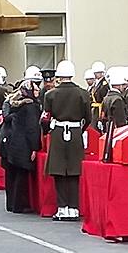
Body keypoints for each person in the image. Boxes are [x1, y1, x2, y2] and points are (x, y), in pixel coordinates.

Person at [43, 60, 91, 221]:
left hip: (57, 133)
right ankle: (74, 208)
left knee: (59, 172)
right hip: (76, 132)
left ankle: (62, 208)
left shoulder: (50, 94)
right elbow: (88, 118)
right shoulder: (83, 93)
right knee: (74, 172)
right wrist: (79, 130)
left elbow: (45, 118)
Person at [0, 80, 41, 213]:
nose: (38, 92)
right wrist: (35, 146)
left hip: (11, 141)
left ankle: (11, 204)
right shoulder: (31, 106)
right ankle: (19, 204)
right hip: (24, 144)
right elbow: (32, 128)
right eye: (36, 90)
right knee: (21, 174)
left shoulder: (13, 103)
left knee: (11, 173)